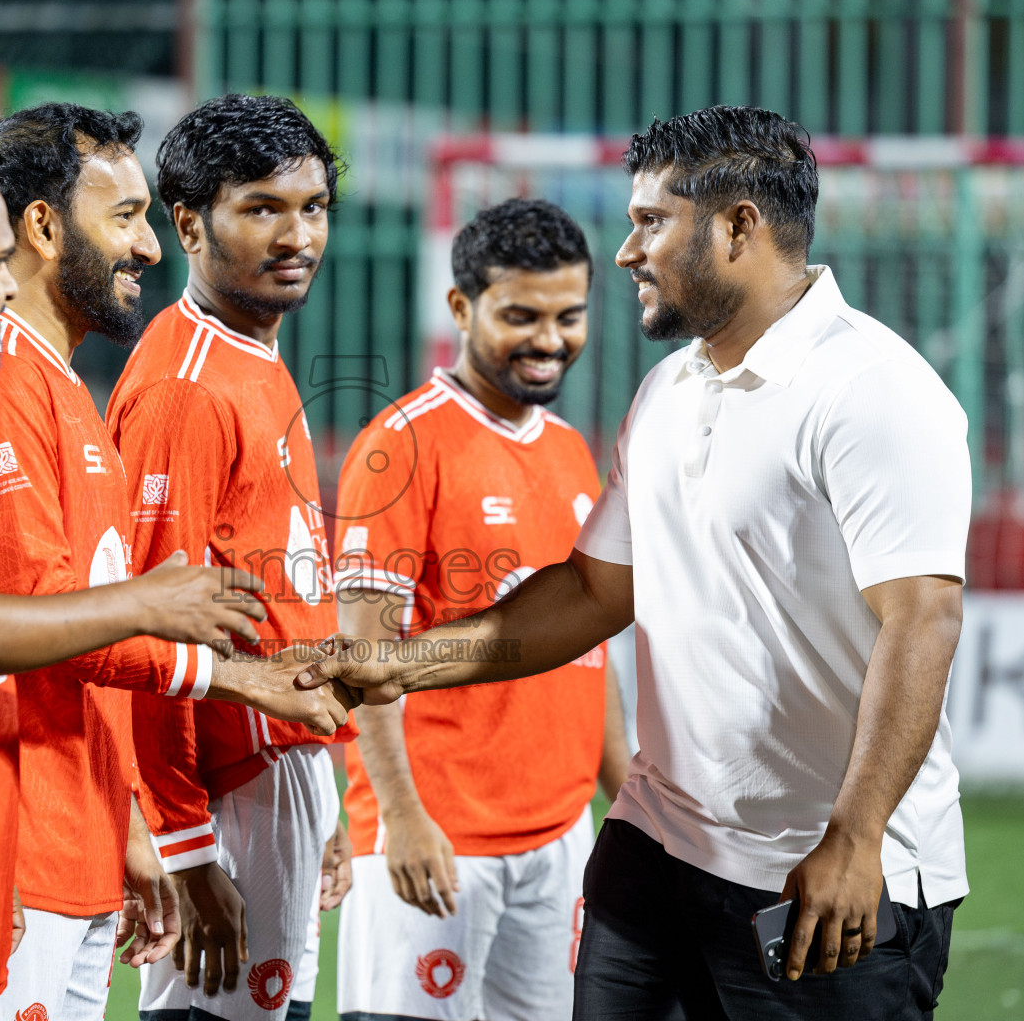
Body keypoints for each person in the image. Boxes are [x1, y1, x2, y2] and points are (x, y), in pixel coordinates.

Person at [302, 104, 970, 1020]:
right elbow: (589, 594)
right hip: (654, 854)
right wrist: (397, 664)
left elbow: (923, 617)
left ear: (739, 227)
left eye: (651, 222)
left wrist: (856, 841)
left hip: (822, 877)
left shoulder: (875, 392)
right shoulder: (668, 389)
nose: (627, 251)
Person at [0, 135, 352, 1020]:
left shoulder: (61, 391)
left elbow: (63, 622)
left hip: (77, 834)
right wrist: (189, 792)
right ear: (44, 227)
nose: (147, 248)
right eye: (126, 217)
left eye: (314, 208)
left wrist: (128, 815)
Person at [332, 198, 630, 1021]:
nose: (549, 339)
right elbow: (362, 658)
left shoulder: (572, 450)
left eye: (569, 316)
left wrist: (628, 807)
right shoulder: (402, 445)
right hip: (439, 835)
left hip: (560, 839)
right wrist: (399, 819)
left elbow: (589, 645)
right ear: (461, 308)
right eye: (521, 316)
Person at [105, 94, 357, 1021]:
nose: (297, 235)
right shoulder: (186, 389)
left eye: (313, 207)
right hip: (230, 781)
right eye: (262, 208)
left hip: (282, 764)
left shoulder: (253, 354)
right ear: (188, 224)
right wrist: (183, 846)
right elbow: (144, 628)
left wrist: (323, 775)